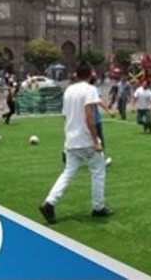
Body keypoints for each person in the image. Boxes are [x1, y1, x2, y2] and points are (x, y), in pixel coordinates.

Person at [39, 63, 113, 224]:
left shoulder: (69, 90)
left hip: (72, 139)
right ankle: (98, 207)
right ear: (89, 75)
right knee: (98, 171)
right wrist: (95, 140)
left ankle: (49, 202)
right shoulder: (90, 89)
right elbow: (89, 116)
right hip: (86, 139)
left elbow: (65, 116)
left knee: (68, 173)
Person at [90, 73, 115, 166]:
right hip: (95, 120)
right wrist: (109, 111)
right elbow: (99, 101)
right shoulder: (94, 90)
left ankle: (69, 154)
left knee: (86, 140)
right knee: (99, 140)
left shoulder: (79, 90)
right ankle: (102, 159)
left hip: (83, 120)